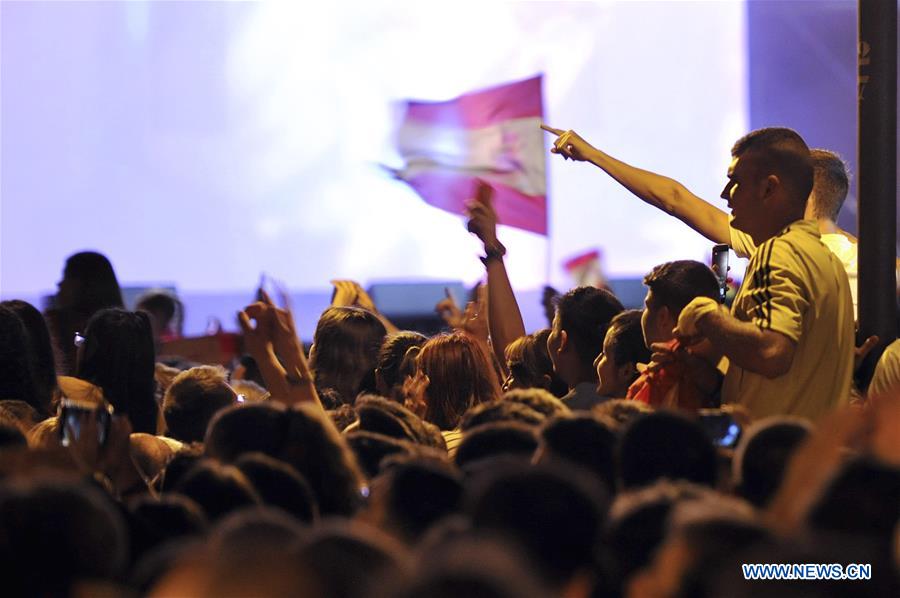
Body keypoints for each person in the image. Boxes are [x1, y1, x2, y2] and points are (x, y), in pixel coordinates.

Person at [546, 125, 854, 420]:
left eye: (735, 182)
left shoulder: (778, 252)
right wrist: (706, 377)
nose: (724, 194)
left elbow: (773, 353)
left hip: (778, 451)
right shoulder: (825, 261)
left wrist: (708, 315)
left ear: (769, 188)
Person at [44, 251, 124, 374]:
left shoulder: (54, 324)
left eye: (66, 276)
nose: (59, 284)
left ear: (85, 283)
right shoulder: (126, 325)